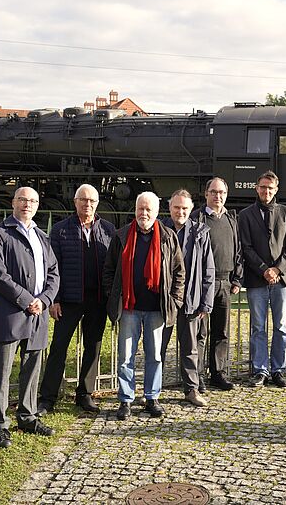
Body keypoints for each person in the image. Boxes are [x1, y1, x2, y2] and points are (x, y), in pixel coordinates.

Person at [0, 186, 59, 448]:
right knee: (2, 372)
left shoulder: (41, 236)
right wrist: (28, 300)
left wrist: (44, 300)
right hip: (12, 313)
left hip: (38, 314)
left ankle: (27, 416)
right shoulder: (0, 233)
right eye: (22, 200)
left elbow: (53, 273)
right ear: (13, 202)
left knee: (32, 368)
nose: (27, 204)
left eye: (32, 201)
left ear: (38, 205)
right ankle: (0, 425)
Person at [104, 192, 184, 420]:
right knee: (125, 356)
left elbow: (179, 272)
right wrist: (113, 295)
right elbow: (109, 270)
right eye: (141, 209)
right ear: (135, 210)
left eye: (149, 210)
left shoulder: (168, 237)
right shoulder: (121, 236)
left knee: (155, 356)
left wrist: (175, 301)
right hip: (129, 307)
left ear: (157, 212)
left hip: (156, 308)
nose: (144, 213)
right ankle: (126, 400)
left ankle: (152, 397)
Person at [37, 184, 115, 416]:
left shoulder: (109, 229)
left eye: (91, 201)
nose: (87, 204)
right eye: (83, 200)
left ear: (97, 204)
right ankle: (47, 398)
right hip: (69, 300)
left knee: (93, 347)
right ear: (75, 202)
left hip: (97, 300)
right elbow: (52, 267)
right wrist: (54, 299)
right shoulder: (61, 230)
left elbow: (112, 266)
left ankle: (85, 394)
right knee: (59, 347)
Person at [238, 171, 286, 388]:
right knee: (257, 327)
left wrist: (277, 269)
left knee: (280, 326)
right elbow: (246, 247)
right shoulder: (245, 215)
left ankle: (278, 369)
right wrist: (264, 269)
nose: (266, 191)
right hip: (257, 279)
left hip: (282, 280)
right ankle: (260, 369)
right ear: (256, 188)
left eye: (270, 188)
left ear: (276, 189)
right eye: (263, 187)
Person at [162, 189, 215, 407]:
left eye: (184, 208)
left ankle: (191, 390)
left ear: (191, 209)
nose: (180, 211)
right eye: (176, 207)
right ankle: (152, 389)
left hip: (191, 299)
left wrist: (206, 302)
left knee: (190, 348)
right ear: (169, 207)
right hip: (164, 300)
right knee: (158, 347)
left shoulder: (200, 232)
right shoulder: (160, 230)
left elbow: (208, 269)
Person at [191, 178, 242, 391]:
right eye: (213, 192)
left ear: (226, 195)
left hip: (225, 282)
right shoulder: (197, 218)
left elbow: (238, 250)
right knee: (200, 333)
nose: (217, 196)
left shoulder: (231, 219)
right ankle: (198, 375)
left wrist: (237, 278)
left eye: (221, 192)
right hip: (204, 284)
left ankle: (218, 373)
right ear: (206, 194)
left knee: (221, 331)